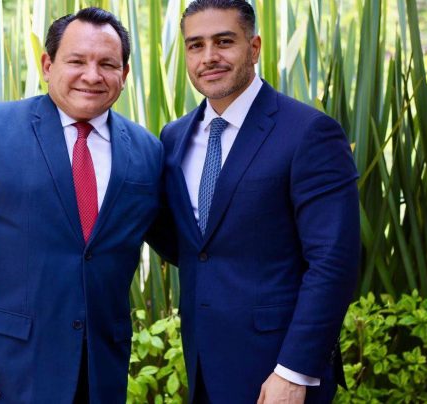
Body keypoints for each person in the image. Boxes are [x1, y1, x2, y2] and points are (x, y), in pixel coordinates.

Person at [0, 7, 163, 404]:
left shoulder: (147, 151)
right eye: (77, 61)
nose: (92, 75)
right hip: (4, 370)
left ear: (125, 73)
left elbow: (177, 241)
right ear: (48, 65)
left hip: (99, 371)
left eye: (107, 64)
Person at [152, 0, 360, 402]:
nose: (208, 57)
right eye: (195, 45)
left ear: (254, 47)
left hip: (279, 371)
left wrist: (294, 371)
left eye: (223, 41)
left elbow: (334, 261)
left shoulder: (309, 132)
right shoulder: (174, 137)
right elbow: (193, 246)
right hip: (204, 366)